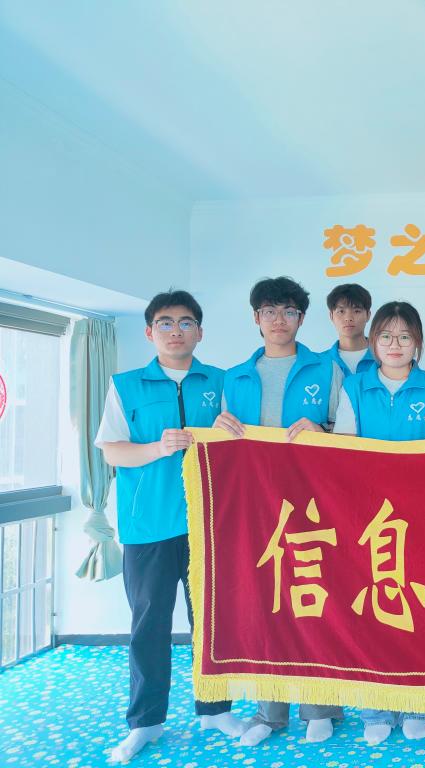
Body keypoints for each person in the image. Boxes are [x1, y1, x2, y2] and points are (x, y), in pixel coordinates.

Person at [95, 290, 245, 763]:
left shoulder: (221, 381)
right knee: (149, 626)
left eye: (185, 323)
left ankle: (216, 710)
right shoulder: (125, 385)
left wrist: (232, 433)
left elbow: (240, 447)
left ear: (200, 332)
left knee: (213, 625)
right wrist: (157, 449)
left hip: (210, 525)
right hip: (147, 527)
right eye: (165, 323)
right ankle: (146, 722)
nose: (175, 331)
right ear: (149, 332)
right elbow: (112, 450)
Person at [215, 276, 344, 746]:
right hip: (256, 504)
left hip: (310, 502)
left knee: (312, 600)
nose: (278, 320)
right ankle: (269, 712)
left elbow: (346, 433)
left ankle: (320, 707)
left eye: (288, 311)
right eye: (269, 311)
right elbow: (225, 446)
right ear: (256, 318)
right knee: (265, 603)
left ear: (301, 319)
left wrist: (322, 429)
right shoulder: (236, 377)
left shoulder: (326, 369)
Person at [333, 300, 425, 744]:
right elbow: (344, 452)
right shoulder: (355, 387)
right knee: (373, 613)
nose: (395, 344)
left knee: (419, 610)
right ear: (373, 342)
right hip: (369, 519)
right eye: (385, 336)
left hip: (422, 516)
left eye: (405, 336)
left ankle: (418, 703)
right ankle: (376, 709)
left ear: (417, 342)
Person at [322, 283, 376, 377]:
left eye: (356, 311)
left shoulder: (384, 359)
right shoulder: (321, 363)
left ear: (368, 315)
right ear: (331, 316)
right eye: (341, 311)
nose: (348, 318)